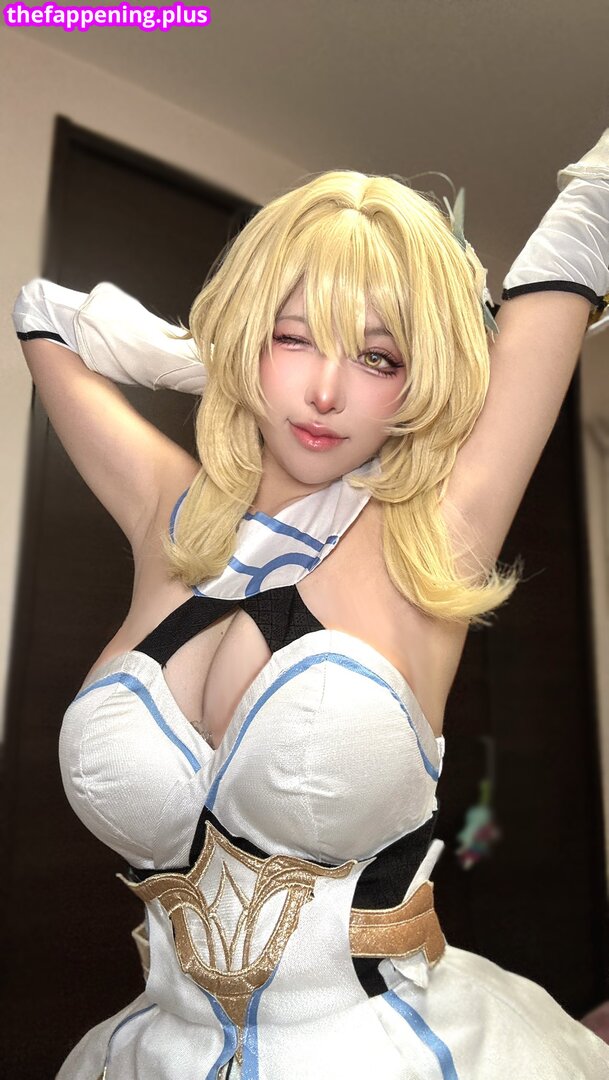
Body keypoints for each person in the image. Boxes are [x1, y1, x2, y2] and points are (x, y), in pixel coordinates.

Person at [12, 129, 609, 1079]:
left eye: (377, 358)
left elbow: (582, 230)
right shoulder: (174, 521)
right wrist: (208, 358)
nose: (325, 392)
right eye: (292, 339)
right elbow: (42, 316)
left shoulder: (430, 533)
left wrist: (286, 349)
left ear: (420, 380)